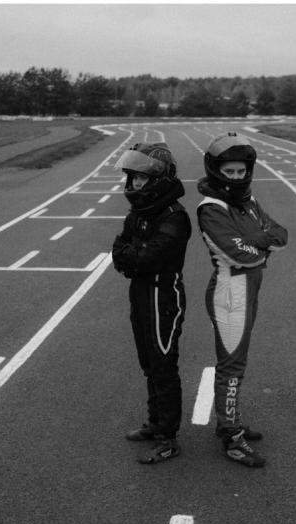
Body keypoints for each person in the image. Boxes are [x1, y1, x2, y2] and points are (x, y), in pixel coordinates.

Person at [196, 132, 288, 468]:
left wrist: (255, 241)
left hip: (248, 290)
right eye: (230, 171)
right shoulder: (211, 208)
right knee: (231, 367)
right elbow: (242, 254)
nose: (237, 177)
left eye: (241, 171)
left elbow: (280, 234)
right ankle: (231, 437)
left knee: (238, 363)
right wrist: (257, 243)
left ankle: (230, 421)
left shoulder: (248, 201)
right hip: (229, 293)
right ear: (216, 170)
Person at [112, 142, 191, 465]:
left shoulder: (175, 216)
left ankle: (168, 437)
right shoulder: (140, 213)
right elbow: (120, 249)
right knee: (148, 363)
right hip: (141, 292)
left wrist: (130, 257)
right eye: (132, 178)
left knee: (163, 364)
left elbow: (145, 257)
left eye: (140, 179)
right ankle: (155, 421)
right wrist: (129, 257)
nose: (134, 185)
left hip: (163, 295)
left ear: (157, 179)